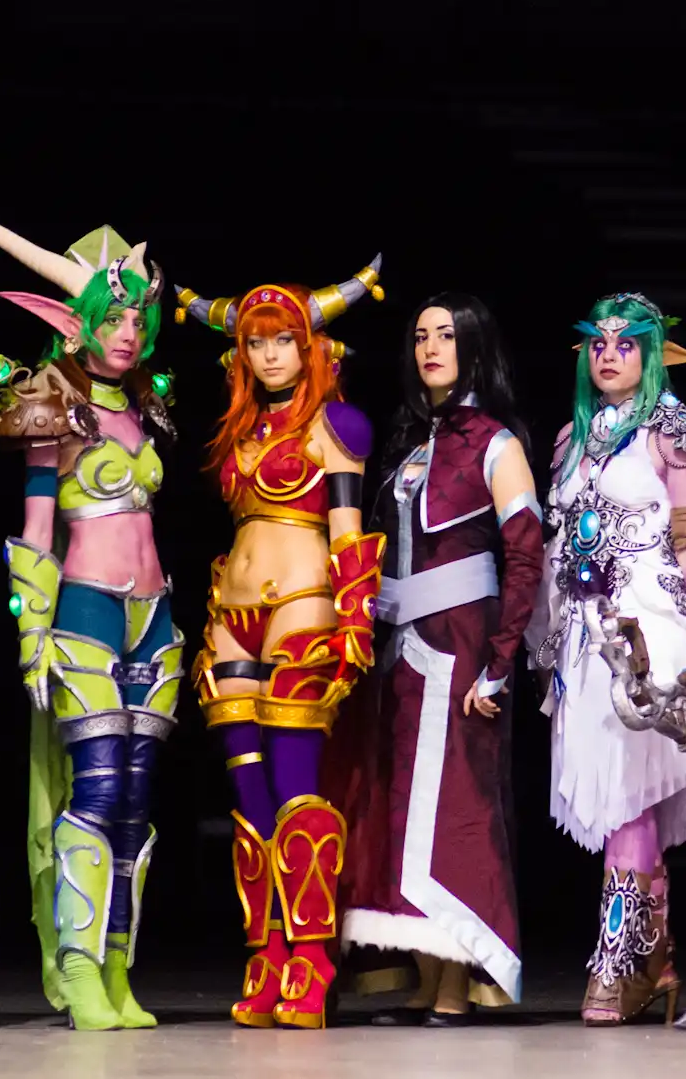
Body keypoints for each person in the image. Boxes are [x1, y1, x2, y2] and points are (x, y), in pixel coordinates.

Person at [0, 207, 184, 1030]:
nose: (127, 333)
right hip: (86, 612)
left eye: (136, 320)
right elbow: (34, 535)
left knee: (135, 801)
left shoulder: (143, 408)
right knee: (94, 792)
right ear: (75, 322)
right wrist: (31, 636)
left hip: (154, 618)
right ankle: (81, 969)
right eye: (112, 318)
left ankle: (119, 967)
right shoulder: (49, 409)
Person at [175, 258, 387, 1029]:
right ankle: (266, 953)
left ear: (309, 348)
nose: (269, 355)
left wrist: (355, 621)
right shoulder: (241, 429)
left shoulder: (338, 424)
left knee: (297, 790)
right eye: (256, 343)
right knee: (249, 799)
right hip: (230, 615)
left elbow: (348, 532)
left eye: (282, 341)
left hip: (301, 611)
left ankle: (313, 957)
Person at [336, 293, 541, 1026]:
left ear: (473, 346)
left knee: (456, 813)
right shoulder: (408, 442)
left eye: (446, 335)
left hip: (462, 648)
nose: (430, 347)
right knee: (401, 813)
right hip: (399, 651)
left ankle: (457, 985)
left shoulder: (496, 443)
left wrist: (500, 662)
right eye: (421, 335)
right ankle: (425, 978)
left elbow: (525, 557)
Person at [527, 291, 686, 1026]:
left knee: (631, 800)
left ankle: (615, 964)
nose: (609, 354)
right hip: (584, 637)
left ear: (653, 355)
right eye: (598, 343)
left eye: (627, 343)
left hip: (652, 630)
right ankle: (656, 962)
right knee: (618, 800)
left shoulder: (674, 433)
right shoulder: (569, 441)